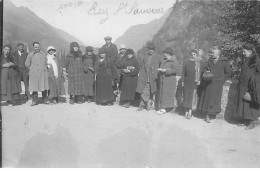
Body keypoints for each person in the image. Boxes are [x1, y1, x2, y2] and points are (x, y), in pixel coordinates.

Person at [198, 46, 231, 123]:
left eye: (213, 53)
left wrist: (222, 80)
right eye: (211, 53)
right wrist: (206, 72)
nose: (211, 54)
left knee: (214, 100)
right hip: (208, 83)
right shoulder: (209, 60)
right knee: (207, 99)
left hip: (217, 84)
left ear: (218, 53)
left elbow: (228, 73)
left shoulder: (224, 62)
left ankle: (211, 114)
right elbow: (205, 69)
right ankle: (207, 115)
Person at [233, 43, 260, 130]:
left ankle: (252, 122)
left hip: (251, 86)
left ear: (250, 51)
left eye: (244, 51)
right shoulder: (247, 59)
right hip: (244, 85)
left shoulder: (256, 60)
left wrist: (253, 83)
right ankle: (246, 121)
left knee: (251, 104)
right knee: (244, 104)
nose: (243, 53)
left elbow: (258, 74)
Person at [136, 42, 162, 111]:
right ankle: (144, 104)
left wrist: (158, 71)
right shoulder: (145, 56)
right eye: (149, 49)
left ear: (154, 50)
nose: (150, 50)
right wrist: (141, 74)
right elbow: (142, 66)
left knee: (149, 91)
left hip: (153, 77)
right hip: (145, 76)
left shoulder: (157, 56)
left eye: (152, 49)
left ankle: (144, 104)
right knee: (145, 90)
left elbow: (162, 63)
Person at [182, 49, 205, 119]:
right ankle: (186, 111)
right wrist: (183, 81)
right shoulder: (187, 62)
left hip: (195, 83)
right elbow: (183, 73)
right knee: (186, 97)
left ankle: (190, 112)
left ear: (197, 55)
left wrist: (200, 80)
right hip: (187, 82)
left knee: (193, 97)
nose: (193, 56)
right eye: (191, 55)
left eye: (194, 54)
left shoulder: (201, 63)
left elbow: (203, 73)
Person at [25, 42, 49, 106]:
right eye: (35, 47)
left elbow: (46, 62)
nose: (37, 48)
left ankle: (45, 99)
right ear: (33, 47)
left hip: (42, 73)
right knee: (34, 87)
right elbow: (26, 64)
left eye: (38, 47)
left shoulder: (43, 54)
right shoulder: (30, 54)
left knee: (43, 85)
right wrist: (32, 69)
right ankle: (34, 101)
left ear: (40, 47)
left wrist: (44, 67)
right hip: (34, 73)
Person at [156, 47, 179, 115]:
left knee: (167, 94)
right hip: (163, 79)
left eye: (165, 53)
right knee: (162, 93)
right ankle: (162, 107)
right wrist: (160, 70)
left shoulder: (174, 61)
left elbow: (175, 70)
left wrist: (166, 70)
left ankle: (164, 108)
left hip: (169, 81)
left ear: (169, 54)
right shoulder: (163, 60)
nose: (164, 54)